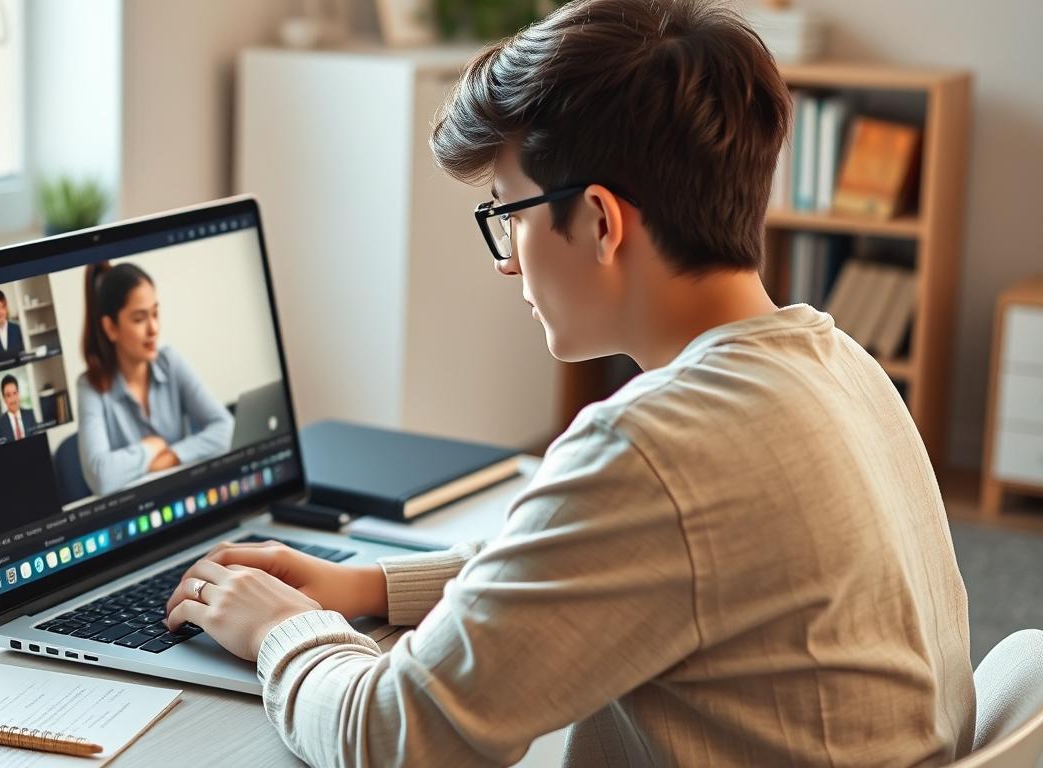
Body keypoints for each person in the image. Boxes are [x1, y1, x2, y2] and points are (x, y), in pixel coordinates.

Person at [161, 1, 975, 766]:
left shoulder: (654, 448)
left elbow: (392, 738)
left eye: (509, 215)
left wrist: (282, 629)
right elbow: (608, 563)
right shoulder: (839, 362)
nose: (508, 261)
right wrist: (368, 584)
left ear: (598, 221)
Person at [76, 261, 234, 496]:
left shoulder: (170, 362)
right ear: (111, 328)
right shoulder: (90, 386)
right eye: (139, 319)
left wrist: (169, 457)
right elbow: (101, 476)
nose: (154, 329)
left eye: (155, 314)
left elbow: (225, 428)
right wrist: (150, 448)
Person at [0, 374, 37, 446]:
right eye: (8, 395)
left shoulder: (31, 414)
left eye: (15, 393)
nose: (13, 399)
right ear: (4, 398)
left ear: (18, 394)